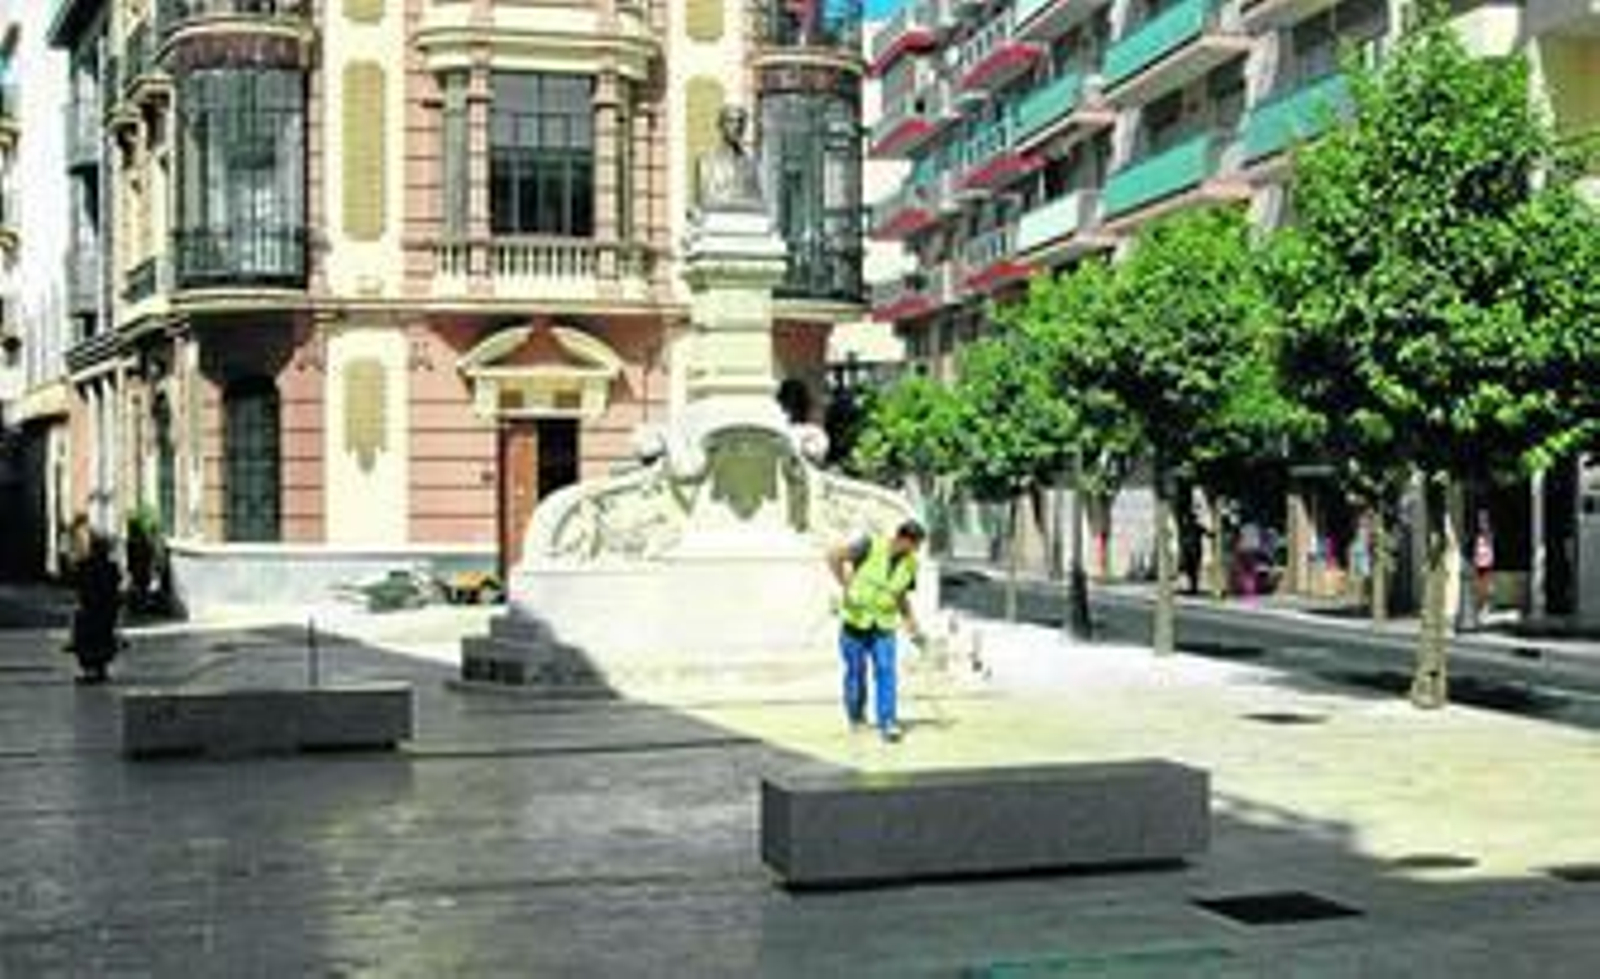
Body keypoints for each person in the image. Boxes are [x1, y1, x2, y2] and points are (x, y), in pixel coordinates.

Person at [827, 520, 927, 743]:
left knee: (886, 671)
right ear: (903, 540)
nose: (916, 551)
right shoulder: (869, 546)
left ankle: (888, 722)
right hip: (855, 622)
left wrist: (913, 627)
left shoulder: (910, 564)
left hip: (884, 625)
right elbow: (833, 556)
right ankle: (856, 716)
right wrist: (844, 583)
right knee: (856, 672)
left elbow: (901, 596)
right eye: (915, 545)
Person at [69, 534, 123, 684]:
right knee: (103, 637)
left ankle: (91, 670)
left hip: (91, 609)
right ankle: (100, 669)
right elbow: (116, 586)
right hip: (104, 610)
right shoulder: (111, 567)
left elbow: (75, 582)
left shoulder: (85, 565)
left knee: (87, 637)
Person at [694, 106, 765, 213]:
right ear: (720, 125)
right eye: (730, 121)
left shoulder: (752, 164)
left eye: (740, 122)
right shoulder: (706, 161)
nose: (736, 126)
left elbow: (757, 201)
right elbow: (705, 200)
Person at [1472, 510, 1494, 618]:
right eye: (1480, 520)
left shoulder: (1488, 533)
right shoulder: (1478, 534)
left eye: (1483, 520)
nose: (1481, 522)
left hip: (1486, 563)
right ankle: (1481, 607)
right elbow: (1477, 548)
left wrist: (1489, 561)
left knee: (1485, 586)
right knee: (1480, 587)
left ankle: (1486, 607)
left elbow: (1490, 548)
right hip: (1479, 563)